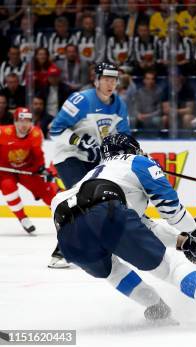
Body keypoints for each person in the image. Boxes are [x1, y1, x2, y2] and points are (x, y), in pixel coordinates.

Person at [51, 133, 196, 323]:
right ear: (133, 149)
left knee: (112, 270)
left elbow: (141, 225)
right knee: (169, 267)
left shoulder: (95, 174)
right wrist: (194, 231)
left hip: (66, 227)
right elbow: (171, 211)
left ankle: (157, 307)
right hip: (107, 211)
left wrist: (182, 242)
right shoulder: (137, 162)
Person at [48, 62, 130, 269]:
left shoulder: (119, 105)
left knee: (100, 199)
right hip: (68, 154)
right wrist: (81, 141)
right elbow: (55, 129)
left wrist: (128, 151)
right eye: (106, 79)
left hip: (94, 157)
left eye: (114, 79)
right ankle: (61, 250)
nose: (110, 83)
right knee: (80, 198)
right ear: (96, 80)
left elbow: (123, 136)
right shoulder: (81, 100)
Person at [0, 107, 58, 234]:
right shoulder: (3, 132)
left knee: (47, 192)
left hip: (28, 170)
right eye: (21, 120)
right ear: (15, 121)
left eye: (27, 120)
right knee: (8, 187)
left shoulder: (36, 133)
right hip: (5, 170)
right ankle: (22, 218)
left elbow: (38, 155)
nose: (24, 124)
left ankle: (63, 217)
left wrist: (42, 168)